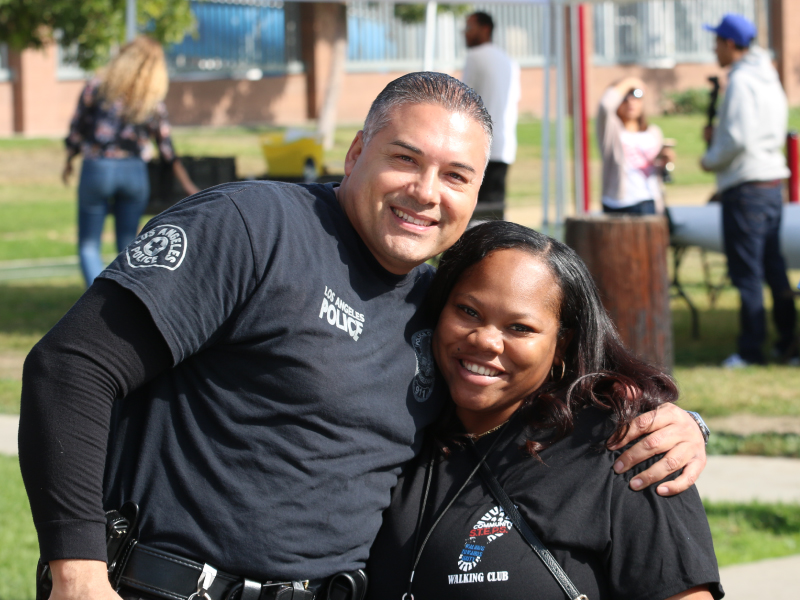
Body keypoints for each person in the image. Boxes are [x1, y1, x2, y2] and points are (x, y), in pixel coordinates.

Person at [20, 73, 708, 600]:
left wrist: (677, 423)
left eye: (456, 176)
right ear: (357, 151)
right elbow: (72, 367)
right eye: (405, 159)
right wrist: (78, 572)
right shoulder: (254, 226)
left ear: (476, 194)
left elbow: (533, 391)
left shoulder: (441, 311)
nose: (426, 191)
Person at [367, 221, 722, 600]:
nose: (486, 340)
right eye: (468, 311)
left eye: (519, 327)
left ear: (561, 345)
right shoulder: (394, 427)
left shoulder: (627, 447)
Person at [700, 13, 797, 368]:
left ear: (729, 43)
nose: (714, 48)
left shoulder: (741, 81)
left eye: (716, 41)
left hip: (746, 186)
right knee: (774, 268)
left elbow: (737, 138)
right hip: (772, 183)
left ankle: (750, 350)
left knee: (747, 273)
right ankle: (788, 344)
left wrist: (710, 159)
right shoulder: (768, 75)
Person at [63, 36, 199, 287]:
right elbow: (167, 149)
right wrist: (188, 185)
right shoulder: (150, 98)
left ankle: (93, 303)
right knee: (129, 247)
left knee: (89, 244)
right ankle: (120, 304)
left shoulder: (97, 86)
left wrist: (69, 160)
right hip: (135, 174)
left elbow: (77, 131)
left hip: (98, 169)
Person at [461, 11, 520, 209]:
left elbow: (462, 101)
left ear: (485, 29)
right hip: (504, 145)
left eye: (470, 28)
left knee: (476, 214)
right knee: (495, 213)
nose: (465, 33)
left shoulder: (475, 56)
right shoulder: (509, 61)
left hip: (479, 146)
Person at [597, 77, 673, 215]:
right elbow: (605, 105)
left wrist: (665, 161)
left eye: (636, 97)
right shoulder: (612, 130)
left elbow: (654, 170)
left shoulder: (653, 132)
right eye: (625, 98)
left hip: (650, 200)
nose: (631, 102)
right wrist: (630, 81)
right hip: (620, 203)